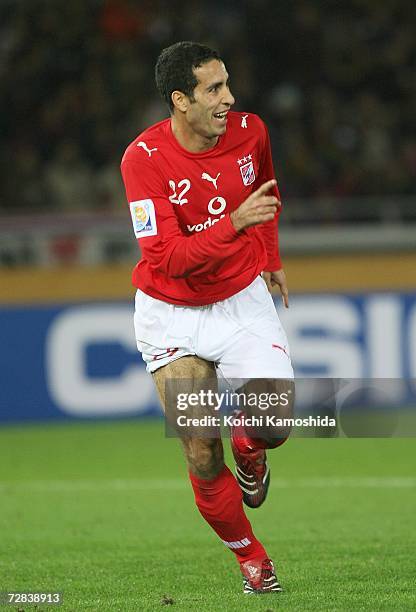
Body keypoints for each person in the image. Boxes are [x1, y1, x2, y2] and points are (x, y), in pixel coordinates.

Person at [121, 41, 294, 595]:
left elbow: (265, 195)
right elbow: (165, 257)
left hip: (241, 300)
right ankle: (252, 558)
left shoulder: (251, 131)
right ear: (180, 100)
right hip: (171, 315)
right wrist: (236, 224)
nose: (229, 98)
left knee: (272, 425)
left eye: (227, 84)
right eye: (213, 89)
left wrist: (267, 257)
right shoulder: (143, 161)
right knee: (199, 448)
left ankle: (251, 451)